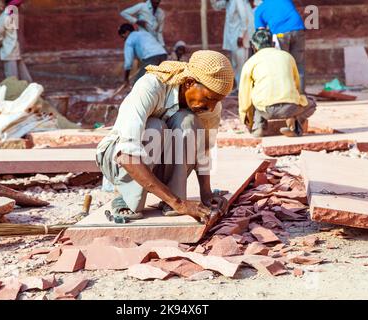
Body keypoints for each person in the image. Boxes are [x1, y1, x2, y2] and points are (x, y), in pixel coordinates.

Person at [96, 50, 234, 223]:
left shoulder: (209, 106)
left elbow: (203, 149)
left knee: (189, 121)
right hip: (119, 160)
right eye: (208, 99)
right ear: (190, 82)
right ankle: (127, 198)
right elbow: (126, 154)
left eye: (217, 101)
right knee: (155, 127)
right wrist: (180, 203)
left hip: (156, 161)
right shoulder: (151, 87)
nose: (211, 108)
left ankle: (172, 199)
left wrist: (206, 193)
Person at [238, 29, 316, 138]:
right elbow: (297, 86)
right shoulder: (287, 56)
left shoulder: (250, 62)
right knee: (312, 103)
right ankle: (295, 128)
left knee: (255, 93)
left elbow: (244, 97)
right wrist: (293, 110)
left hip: (265, 109)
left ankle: (258, 127)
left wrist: (246, 120)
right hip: (290, 107)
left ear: (253, 46)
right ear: (273, 43)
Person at [254, 0, 306, 92]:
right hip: (298, 30)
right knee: (298, 64)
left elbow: (261, 33)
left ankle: (285, 94)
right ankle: (300, 95)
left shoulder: (259, 9)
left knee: (282, 64)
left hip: (280, 34)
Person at [210, 0, 256, 89]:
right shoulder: (228, 1)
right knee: (235, 66)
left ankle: (243, 89)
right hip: (232, 39)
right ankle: (239, 88)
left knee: (242, 66)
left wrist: (241, 35)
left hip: (240, 40)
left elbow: (244, 18)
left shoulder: (238, 1)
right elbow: (217, 6)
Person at [0, 0, 32, 82]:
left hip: (8, 49)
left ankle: (18, 91)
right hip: (14, 47)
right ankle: (30, 87)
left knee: (11, 77)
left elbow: (0, 33)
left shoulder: (4, 16)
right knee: (22, 71)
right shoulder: (11, 16)